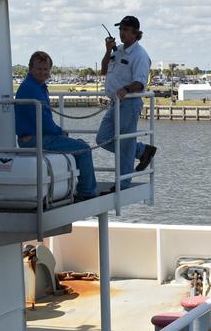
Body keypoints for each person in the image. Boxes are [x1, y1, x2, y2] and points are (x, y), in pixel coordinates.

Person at [14, 51, 98, 201]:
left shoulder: (36, 86)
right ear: (31, 69)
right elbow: (43, 122)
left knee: (80, 144)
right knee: (84, 150)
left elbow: (43, 121)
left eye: (46, 69)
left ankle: (79, 187)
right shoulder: (31, 89)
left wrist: (58, 132)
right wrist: (60, 132)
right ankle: (87, 192)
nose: (43, 72)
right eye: (39, 69)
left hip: (36, 137)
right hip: (35, 139)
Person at [97, 15, 156, 186]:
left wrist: (126, 89)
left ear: (135, 33)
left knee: (125, 143)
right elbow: (103, 70)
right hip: (115, 103)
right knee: (103, 138)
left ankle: (123, 184)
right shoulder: (118, 50)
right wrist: (108, 51)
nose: (122, 33)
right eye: (120, 29)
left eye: (126, 29)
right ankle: (142, 150)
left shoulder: (140, 55)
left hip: (129, 104)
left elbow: (140, 82)